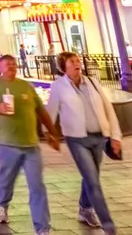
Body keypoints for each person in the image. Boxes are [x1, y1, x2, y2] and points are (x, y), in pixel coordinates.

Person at [0, 55, 59, 235]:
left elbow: (41, 111)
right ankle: (2, 204)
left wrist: (52, 132)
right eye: (8, 64)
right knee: (6, 180)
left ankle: (42, 228)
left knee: (37, 186)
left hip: (31, 144)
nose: (12, 66)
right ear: (0, 67)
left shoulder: (26, 86)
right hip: (6, 143)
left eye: (14, 63)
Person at [46, 52, 122, 234]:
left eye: (78, 60)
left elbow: (108, 109)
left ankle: (85, 208)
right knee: (93, 181)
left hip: (98, 138)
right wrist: (49, 133)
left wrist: (115, 136)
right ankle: (108, 225)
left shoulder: (93, 82)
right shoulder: (59, 86)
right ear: (64, 66)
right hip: (76, 139)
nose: (77, 63)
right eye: (72, 61)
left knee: (91, 177)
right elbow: (50, 112)